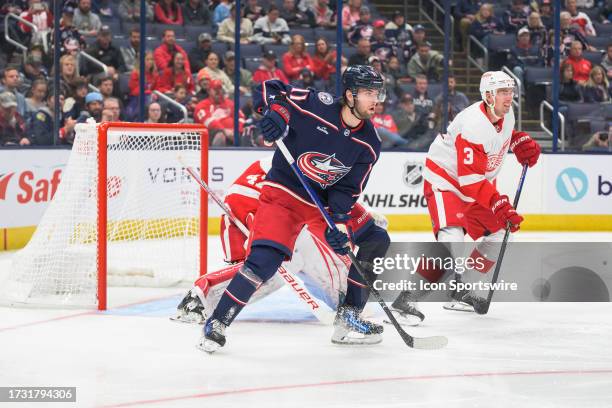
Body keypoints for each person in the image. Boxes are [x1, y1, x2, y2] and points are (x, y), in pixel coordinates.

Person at [199, 65, 390, 353]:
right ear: (349, 95)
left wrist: (337, 223)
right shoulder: (316, 105)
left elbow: (347, 189)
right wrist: (278, 113)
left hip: (323, 201)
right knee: (264, 260)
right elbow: (269, 89)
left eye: (377, 93)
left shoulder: (369, 143)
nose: (375, 100)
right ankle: (217, 322)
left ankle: (349, 314)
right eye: (367, 93)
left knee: (376, 239)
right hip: (284, 193)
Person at [389, 71, 540, 324]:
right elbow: (470, 182)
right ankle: (406, 299)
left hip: (478, 184)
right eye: (503, 92)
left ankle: (462, 289)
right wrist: (498, 202)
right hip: (447, 181)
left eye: (510, 91)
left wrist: (517, 141)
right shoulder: (473, 124)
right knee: (453, 241)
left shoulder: (507, 114)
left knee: (501, 234)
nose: (509, 97)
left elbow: (498, 138)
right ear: (488, 96)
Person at [174, 157, 388, 324]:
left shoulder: (330, 174)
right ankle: (201, 296)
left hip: (263, 200)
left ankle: (202, 299)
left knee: (283, 262)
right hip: (265, 201)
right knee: (283, 260)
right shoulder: (331, 183)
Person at [193, 79, 245, 146]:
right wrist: (224, 130)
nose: (218, 92)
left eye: (219, 89)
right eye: (215, 89)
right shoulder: (202, 105)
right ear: (209, 91)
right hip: (209, 136)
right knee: (220, 135)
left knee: (247, 132)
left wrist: (236, 130)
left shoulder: (230, 103)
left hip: (233, 134)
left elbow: (241, 118)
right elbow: (208, 122)